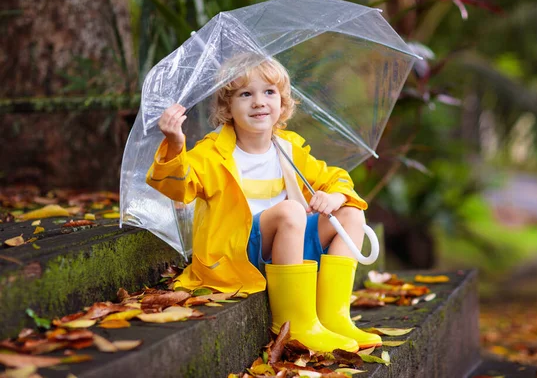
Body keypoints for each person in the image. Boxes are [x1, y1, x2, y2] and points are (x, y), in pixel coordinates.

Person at [146, 54, 381, 352]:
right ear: (227, 107)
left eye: (269, 92)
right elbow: (177, 187)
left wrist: (332, 196)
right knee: (291, 211)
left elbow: (335, 178)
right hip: (238, 251)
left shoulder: (288, 148)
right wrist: (175, 146)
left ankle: (333, 317)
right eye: (246, 94)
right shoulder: (213, 154)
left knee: (349, 212)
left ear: (282, 103)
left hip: (288, 246)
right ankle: (295, 323)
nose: (259, 102)